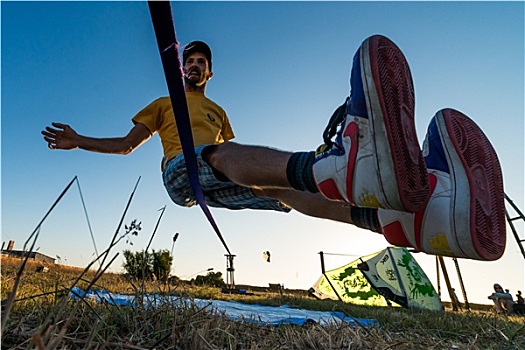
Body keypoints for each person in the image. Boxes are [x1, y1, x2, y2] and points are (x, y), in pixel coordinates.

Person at [42, 35, 506, 262]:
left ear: (210, 74)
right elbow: (127, 146)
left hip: (216, 171)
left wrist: (265, 172)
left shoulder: (218, 111)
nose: (195, 66)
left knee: (286, 192)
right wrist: (78, 140)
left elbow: (242, 162)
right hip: (181, 170)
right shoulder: (165, 102)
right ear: (181, 69)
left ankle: (404, 219)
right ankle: (344, 168)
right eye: (190, 61)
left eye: (202, 63)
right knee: (224, 155)